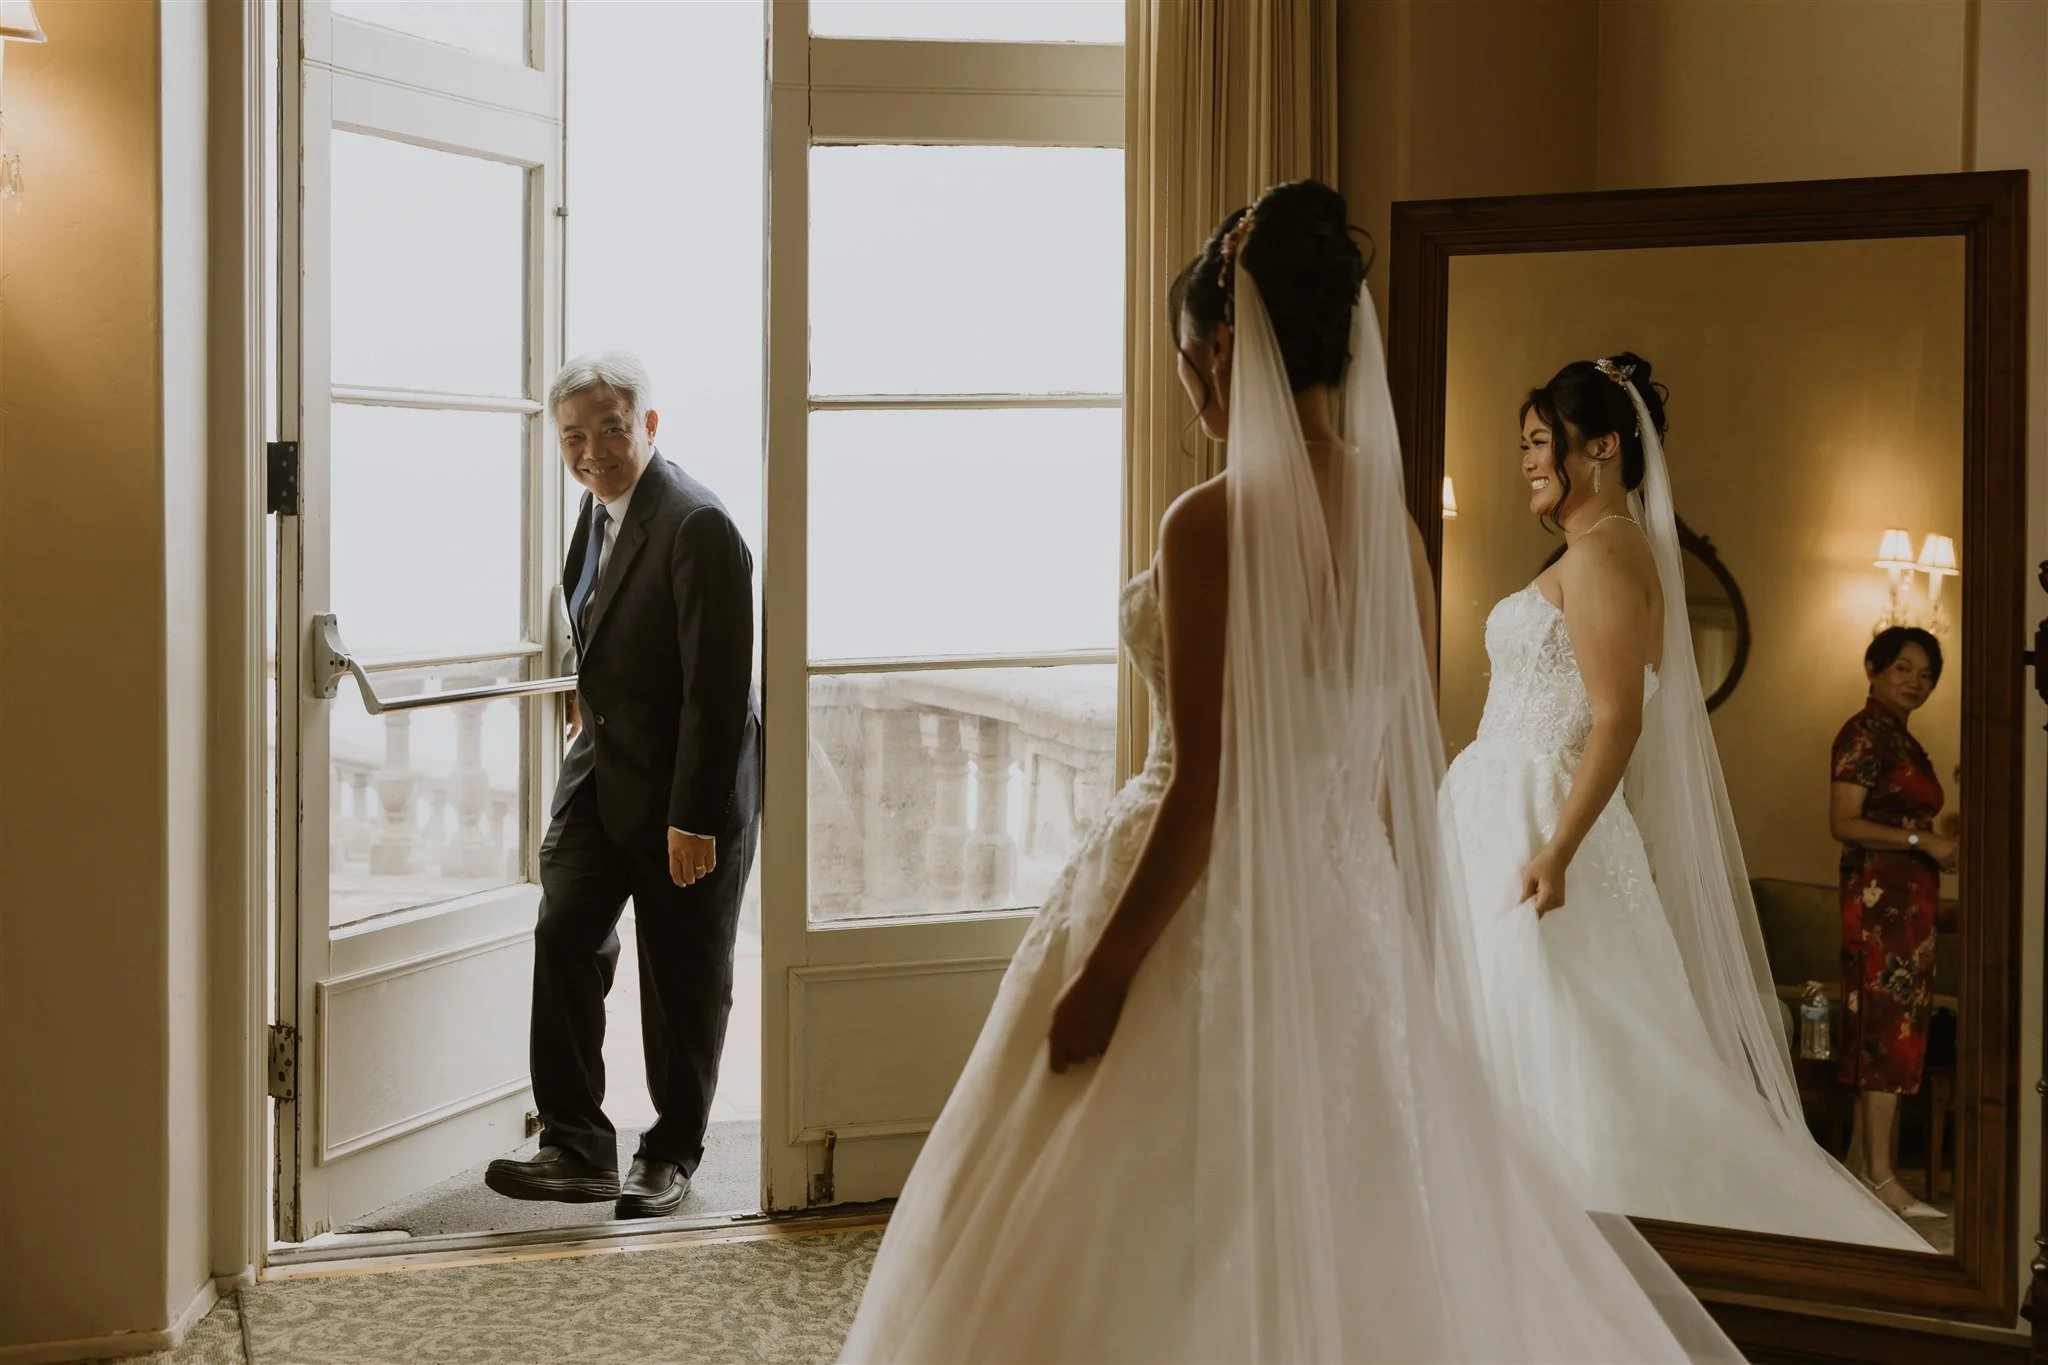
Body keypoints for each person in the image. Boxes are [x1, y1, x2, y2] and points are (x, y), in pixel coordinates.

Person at [841, 182, 1738, 1363]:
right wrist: (1399, 944)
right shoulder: (1393, 524)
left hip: (1196, 907)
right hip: (1336, 909)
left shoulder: (1208, 522)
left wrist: (1107, 971)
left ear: (1221, 347)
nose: (1188, 385)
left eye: (1184, 357)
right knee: (1343, 1203)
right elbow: (1389, 769)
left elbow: (1204, 789)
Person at [1438, 355, 1928, 1250]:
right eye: (1525, 444)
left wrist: (1555, 851)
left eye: (1540, 441)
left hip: (1542, 822)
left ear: (1604, 446)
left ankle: (1549, 1254)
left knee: (1566, 1060)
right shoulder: (1592, 551)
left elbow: (1617, 721)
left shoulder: (1606, 554)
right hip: (1502, 815)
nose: (1527, 461)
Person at [485, 353, 761, 1219]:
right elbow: (603, 621)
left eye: (610, 427)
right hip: (605, 772)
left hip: (688, 787)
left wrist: (693, 821)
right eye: (574, 436)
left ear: (648, 424)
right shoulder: (595, 510)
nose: (593, 449)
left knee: (682, 975)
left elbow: (716, 693)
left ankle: (672, 1150)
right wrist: (588, 691)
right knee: (566, 928)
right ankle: (576, 1146)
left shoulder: (698, 524)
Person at [1830, 626, 1955, 1219]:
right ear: (1874, 668)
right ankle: (1882, 1177)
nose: (1916, 682)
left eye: (1927, 674)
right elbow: (1844, 822)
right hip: (1880, 906)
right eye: (1904, 668)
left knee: (1899, 1036)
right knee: (1885, 1036)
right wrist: (1919, 840)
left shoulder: (1904, 741)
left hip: (1910, 908)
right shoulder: (1864, 732)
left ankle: (1860, 1172)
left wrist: (1938, 838)